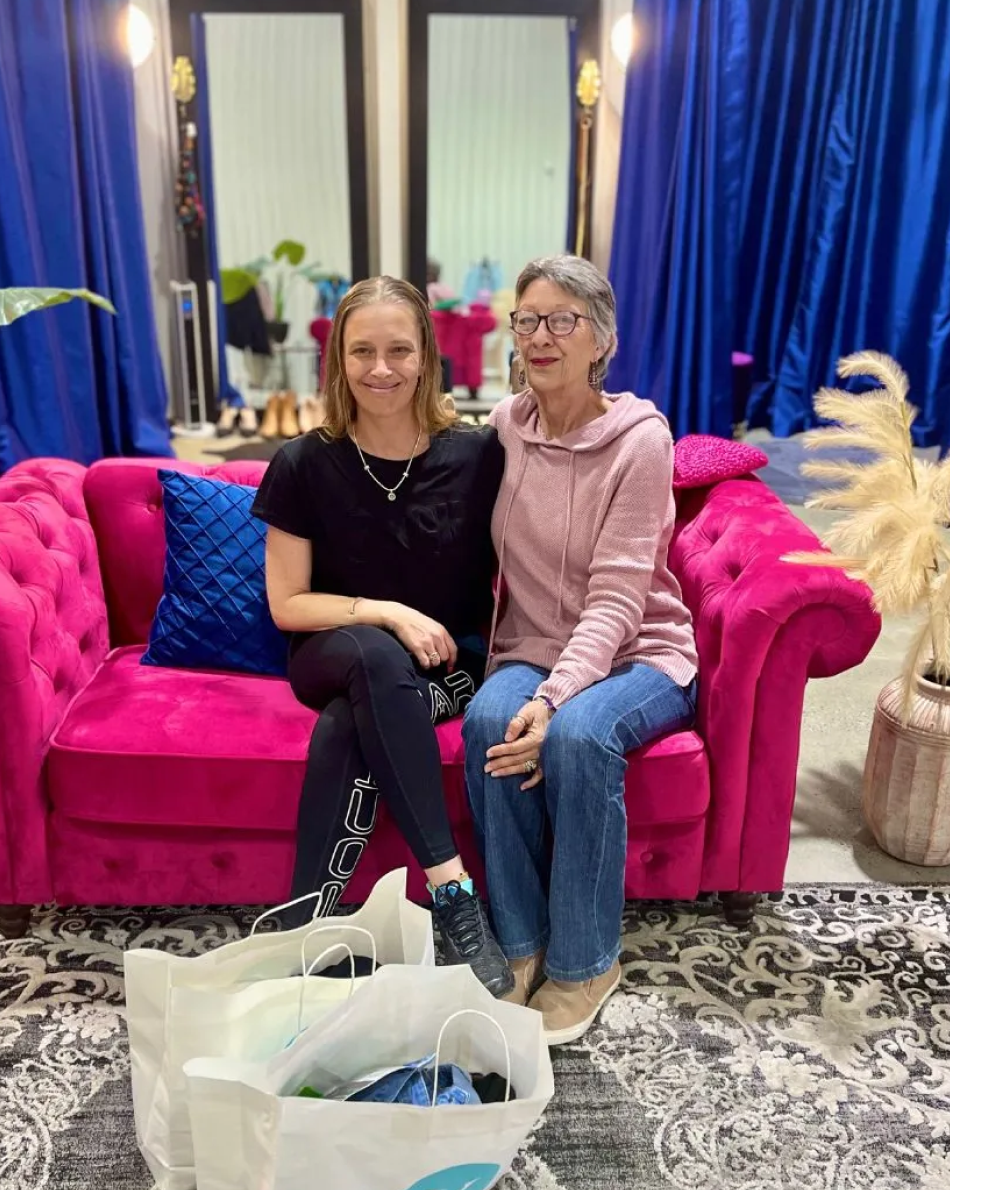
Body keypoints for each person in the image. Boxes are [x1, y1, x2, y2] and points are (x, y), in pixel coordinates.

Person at [251, 276, 514, 998]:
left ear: (427, 356)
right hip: (332, 652)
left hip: (448, 666)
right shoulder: (304, 462)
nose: (381, 368)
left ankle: (304, 921)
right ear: (337, 360)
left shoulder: (478, 455)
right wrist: (388, 612)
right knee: (372, 654)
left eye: (399, 349)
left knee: (350, 724)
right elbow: (288, 605)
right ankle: (453, 892)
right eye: (361, 350)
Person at [462, 255, 700, 1041]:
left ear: (600, 340)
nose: (540, 335)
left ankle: (588, 960)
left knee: (576, 735)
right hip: (532, 646)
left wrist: (553, 697)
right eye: (527, 319)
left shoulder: (640, 441)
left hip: (640, 654)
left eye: (562, 320)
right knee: (485, 724)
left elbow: (618, 600)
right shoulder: (506, 425)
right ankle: (521, 945)